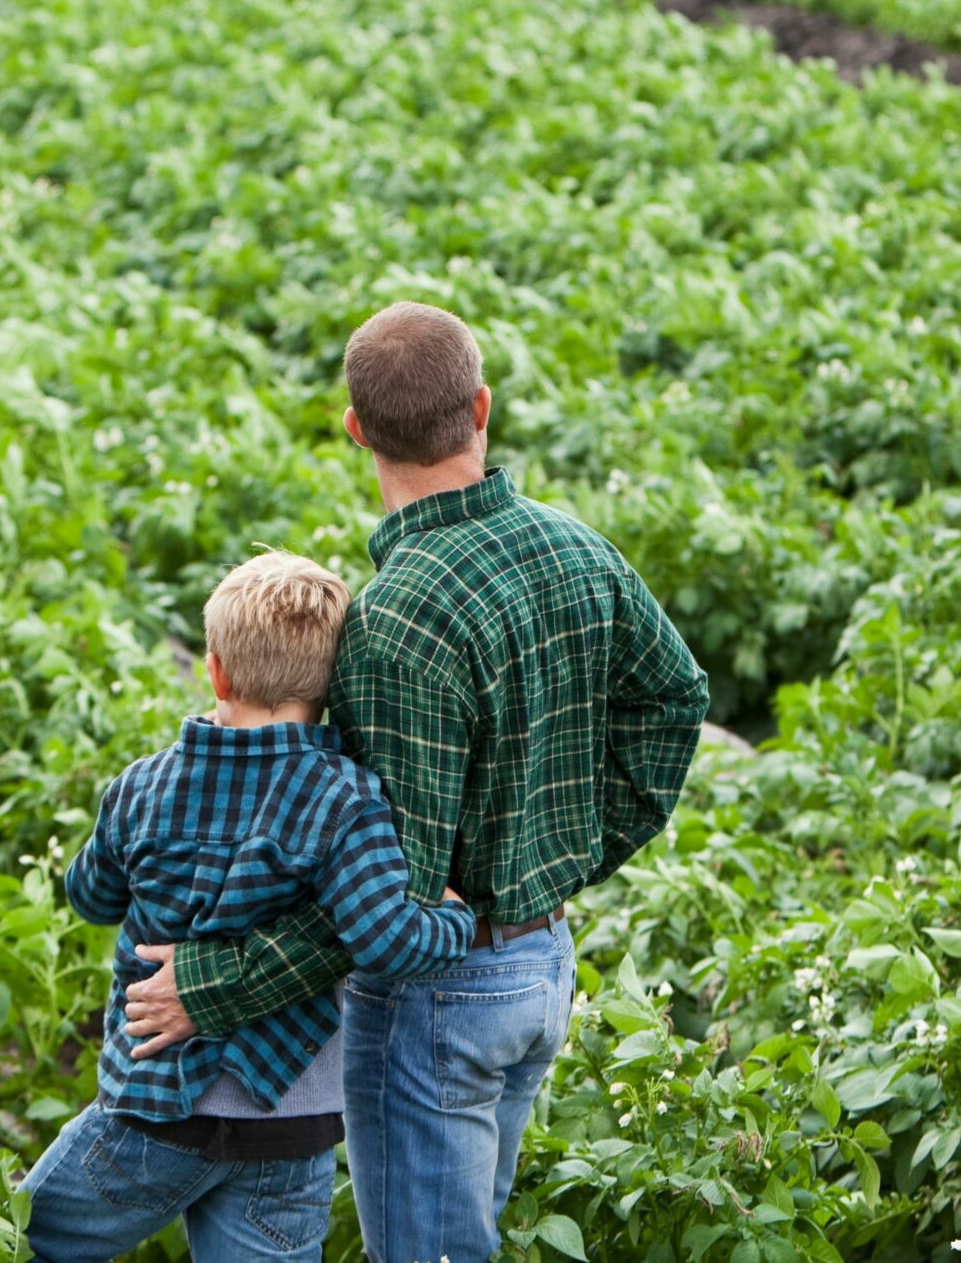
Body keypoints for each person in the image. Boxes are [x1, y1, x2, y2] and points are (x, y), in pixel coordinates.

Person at [118, 301, 711, 1263]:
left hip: (440, 995)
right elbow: (676, 697)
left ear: (355, 430)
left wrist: (213, 986)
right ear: (482, 407)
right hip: (541, 966)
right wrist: (570, 853)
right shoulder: (575, 545)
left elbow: (384, 900)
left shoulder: (394, 622)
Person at [21, 551, 478, 1263]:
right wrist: (455, 917)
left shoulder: (145, 785)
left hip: (154, 1107)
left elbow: (89, 894)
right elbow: (386, 940)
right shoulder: (347, 796)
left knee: (21, 1237)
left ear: (216, 671)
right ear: (331, 687)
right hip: (288, 1122)